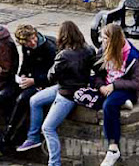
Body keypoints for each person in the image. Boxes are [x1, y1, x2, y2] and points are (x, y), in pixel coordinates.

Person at [17, 21, 95, 166]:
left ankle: (54, 163)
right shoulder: (89, 49)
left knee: (48, 128)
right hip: (72, 87)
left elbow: (50, 76)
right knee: (35, 100)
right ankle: (33, 137)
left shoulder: (63, 55)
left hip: (67, 94)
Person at [0, 24, 57, 147]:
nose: (33, 42)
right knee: (3, 95)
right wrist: (22, 76)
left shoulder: (49, 47)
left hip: (43, 82)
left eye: (33, 38)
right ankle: (11, 124)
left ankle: (10, 135)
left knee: (23, 99)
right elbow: (26, 64)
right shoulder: (26, 48)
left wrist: (34, 81)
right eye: (28, 42)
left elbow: (53, 74)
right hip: (30, 79)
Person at [92, 24, 139, 166]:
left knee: (109, 105)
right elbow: (96, 74)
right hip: (107, 87)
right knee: (88, 98)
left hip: (125, 89)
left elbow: (137, 84)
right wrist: (101, 86)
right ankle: (122, 102)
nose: (101, 40)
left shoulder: (132, 56)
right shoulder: (103, 50)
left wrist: (114, 85)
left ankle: (113, 149)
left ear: (113, 40)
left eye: (104, 38)